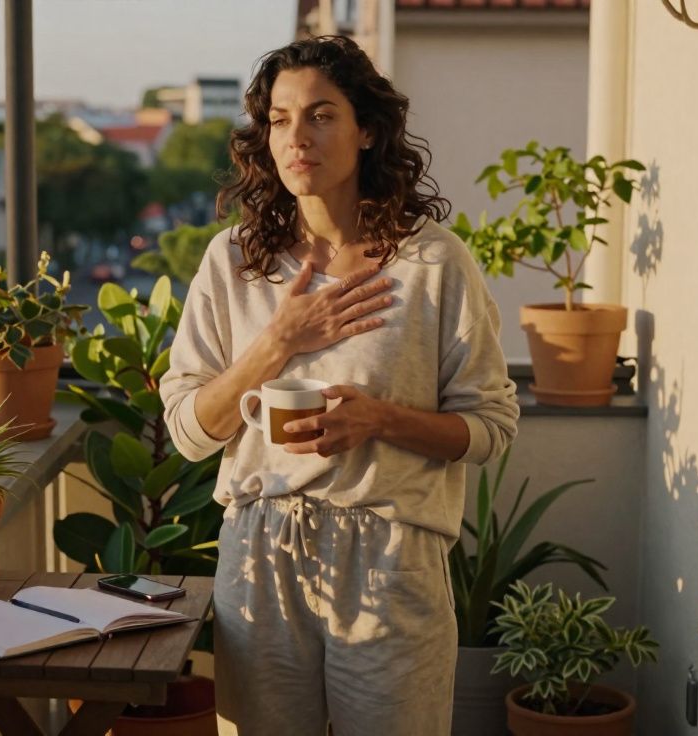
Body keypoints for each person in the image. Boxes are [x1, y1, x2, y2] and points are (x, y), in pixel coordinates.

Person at [157, 35, 519, 735]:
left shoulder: (433, 265)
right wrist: (277, 343)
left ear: (368, 130)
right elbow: (189, 432)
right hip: (261, 554)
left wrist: (378, 419)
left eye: (322, 115)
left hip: (389, 559)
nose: (298, 137)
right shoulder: (232, 263)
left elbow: (491, 428)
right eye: (281, 119)